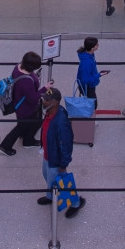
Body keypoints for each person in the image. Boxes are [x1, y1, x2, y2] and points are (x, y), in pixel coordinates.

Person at [38, 87, 85, 217]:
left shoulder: (61, 121)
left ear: (56, 102)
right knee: (46, 175)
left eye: (47, 100)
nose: (44, 101)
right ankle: (50, 196)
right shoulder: (49, 112)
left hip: (55, 159)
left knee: (60, 182)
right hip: (47, 154)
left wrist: (64, 164)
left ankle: (76, 203)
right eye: (44, 98)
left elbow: (66, 144)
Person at [0, 51, 46, 156]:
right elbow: (33, 98)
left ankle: (28, 140)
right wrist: (44, 89)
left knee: (30, 122)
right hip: (25, 108)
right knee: (22, 126)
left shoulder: (18, 67)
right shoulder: (27, 81)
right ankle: (5, 146)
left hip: (19, 104)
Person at [76, 38, 107, 107]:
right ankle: (91, 116)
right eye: (96, 45)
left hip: (89, 85)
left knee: (91, 103)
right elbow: (85, 80)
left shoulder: (89, 55)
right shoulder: (87, 62)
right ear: (92, 48)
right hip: (88, 87)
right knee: (93, 105)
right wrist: (99, 75)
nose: (98, 45)